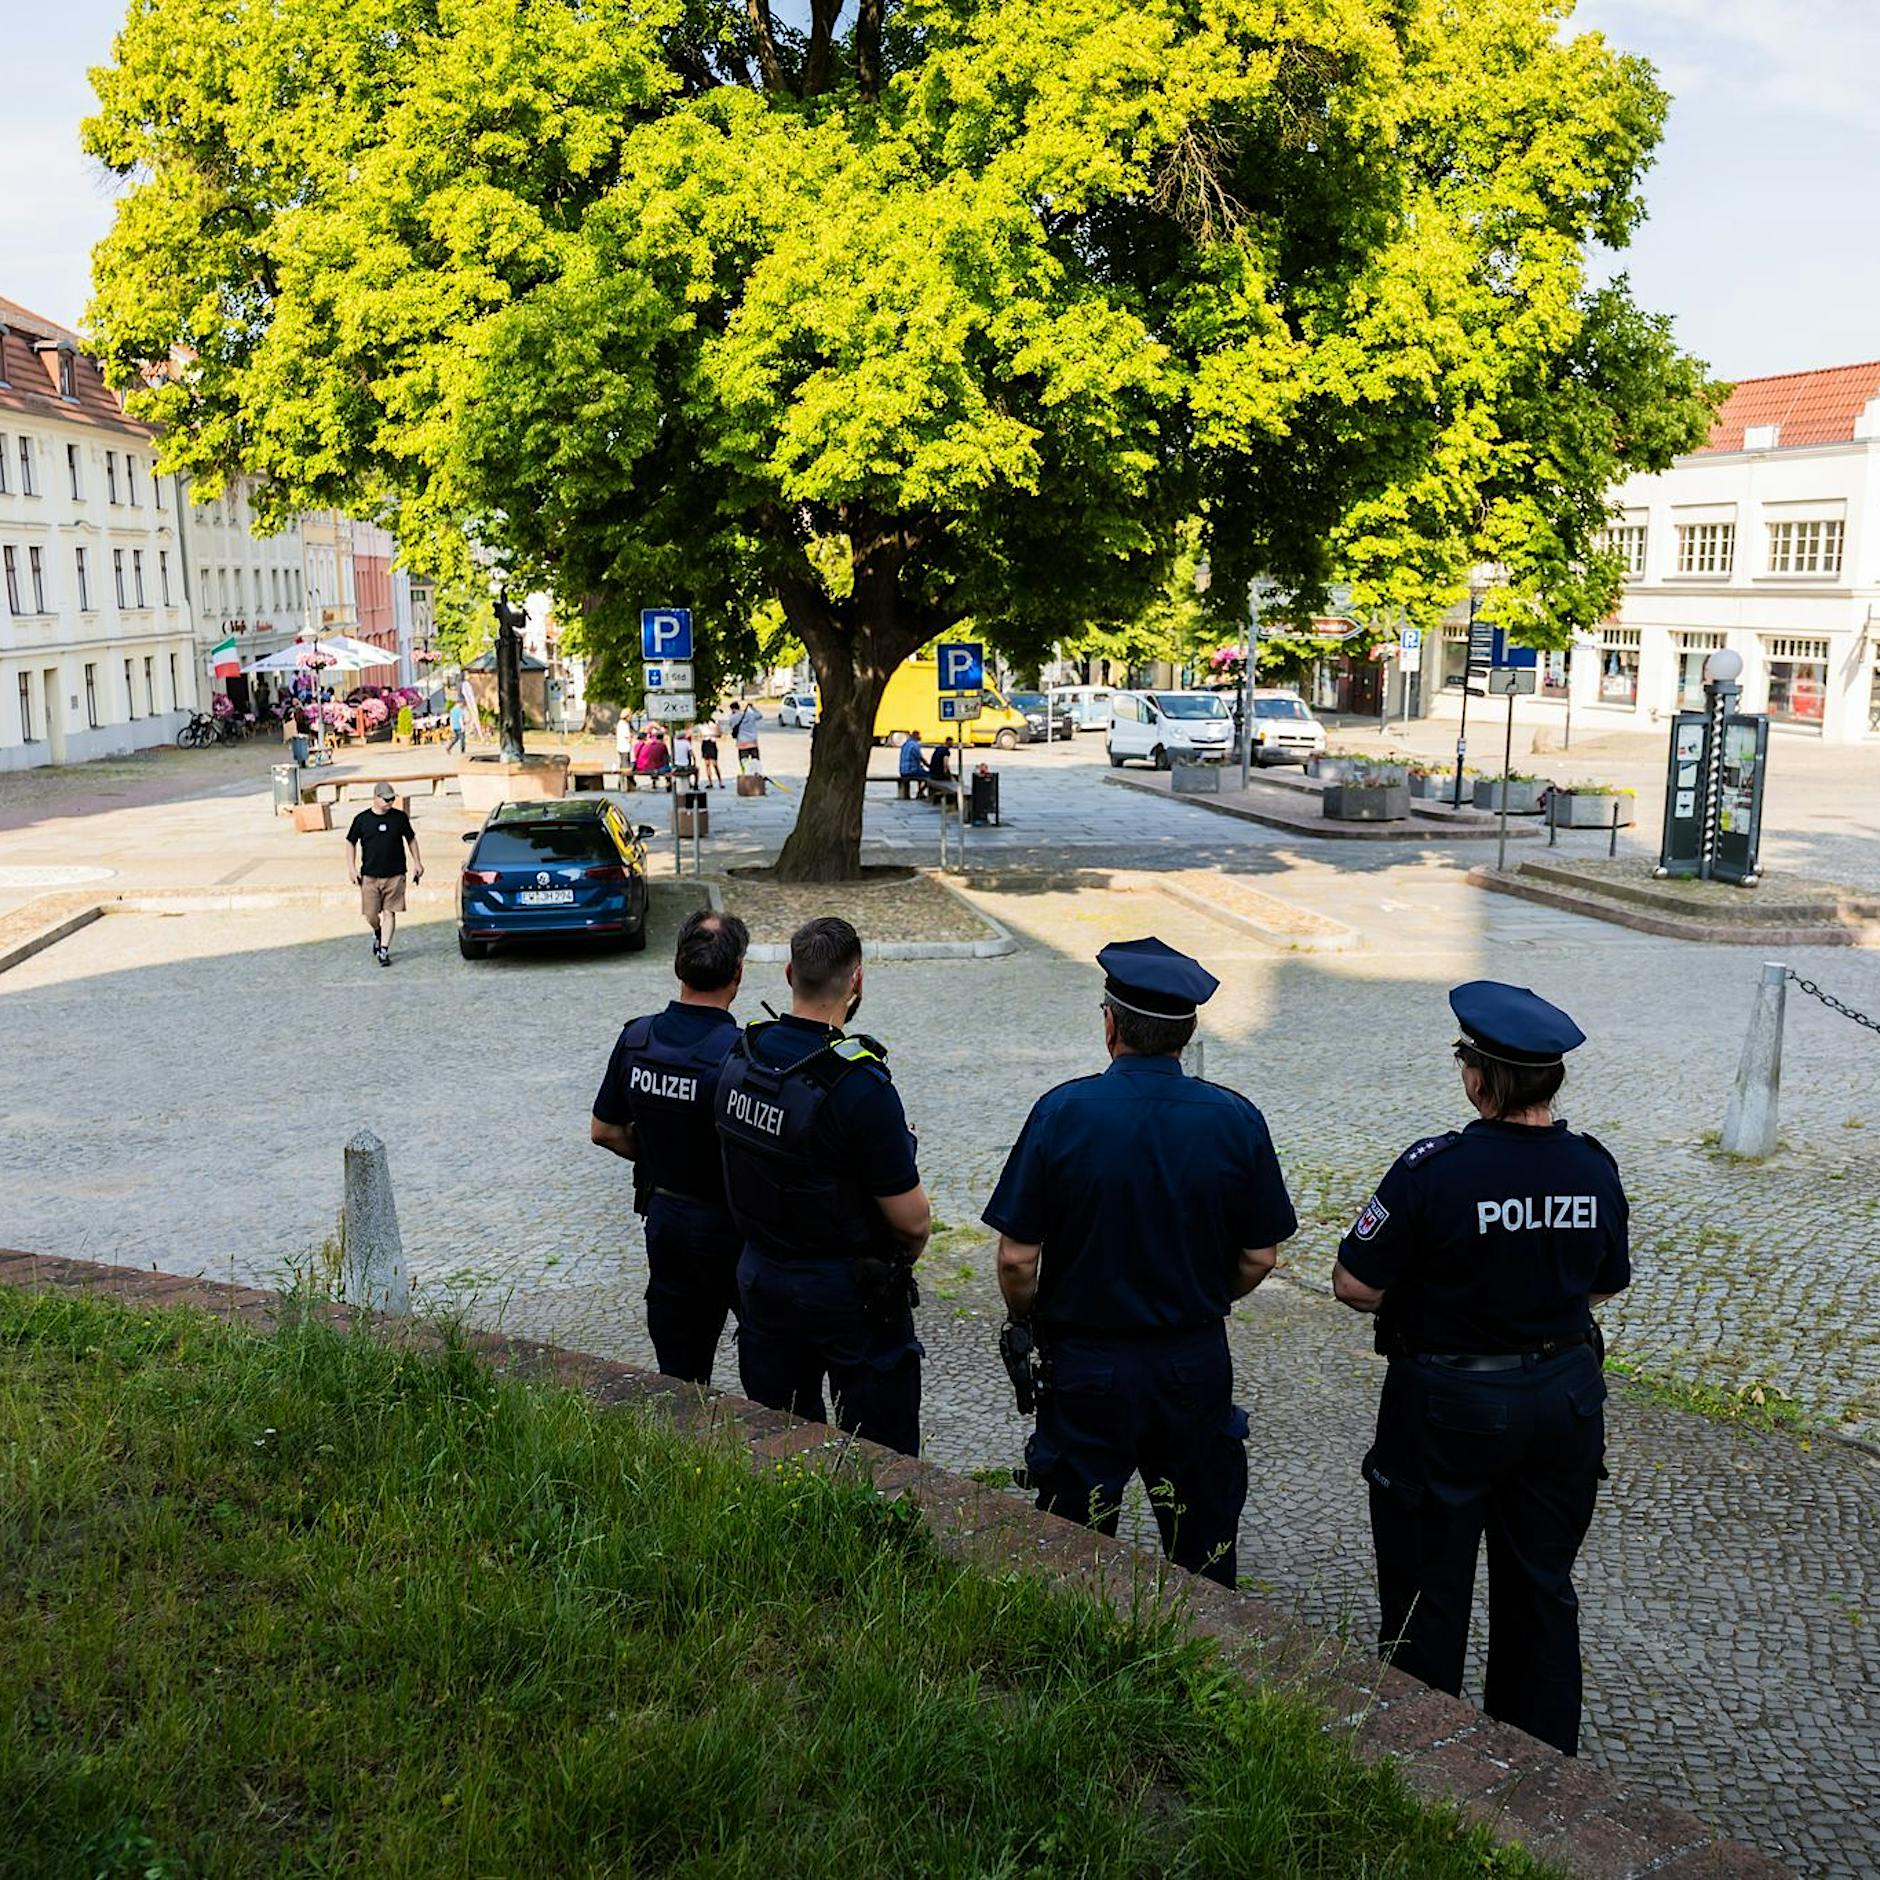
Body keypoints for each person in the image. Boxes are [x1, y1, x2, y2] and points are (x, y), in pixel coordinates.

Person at [1330, 981, 1630, 1757]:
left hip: (1449, 1403)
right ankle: (1539, 1778)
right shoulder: (1594, 1168)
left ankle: (1428, 1767)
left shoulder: (1434, 1169)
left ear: (1478, 1078)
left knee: (1428, 1590)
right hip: (1564, 1401)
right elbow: (1603, 1283)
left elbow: (1355, 1284)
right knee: (1540, 1589)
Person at [984, 938, 1296, 1588]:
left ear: (1110, 1024)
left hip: (1086, 1361)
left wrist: (1027, 1315)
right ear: (1189, 1033)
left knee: (1071, 1543)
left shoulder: (1062, 1112)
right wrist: (1205, 1292)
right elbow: (1260, 1253)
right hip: (1192, 1357)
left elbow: (1017, 1257)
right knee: (1202, 1548)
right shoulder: (1236, 1119)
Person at [715, 916, 930, 1456]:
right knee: (883, 1455)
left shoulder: (742, 1057)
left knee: (782, 1448)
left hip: (762, 1279)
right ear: (856, 982)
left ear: (790, 973)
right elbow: (913, 1223)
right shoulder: (860, 1085)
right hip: (848, 1293)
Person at [590, 911, 753, 1385]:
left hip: (667, 1222)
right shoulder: (740, 1054)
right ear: (738, 974)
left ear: (677, 966)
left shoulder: (638, 1039)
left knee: (679, 1376)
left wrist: (660, 1152)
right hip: (732, 1228)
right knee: (768, 1370)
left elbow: (603, 1130)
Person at [345, 780, 424, 967]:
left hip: (395, 875)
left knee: (390, 912)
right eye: (386, 799)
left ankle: (384, 950)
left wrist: (417, 862)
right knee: (370, 915)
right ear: (375, 798)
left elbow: (411, 839)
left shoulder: (399, 818)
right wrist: (351, 868)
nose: (390, 803)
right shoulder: (362, 820)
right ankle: (377, 931)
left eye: (392, 799)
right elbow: (350, 842)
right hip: (370, 876)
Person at [729, 701, 762, 773]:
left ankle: (745, 774)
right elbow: (760, 715)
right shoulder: (750, 714)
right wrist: (752, 708)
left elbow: (731, 725)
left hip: (742, 743)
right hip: (753, 742)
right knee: (755, 760)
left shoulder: (733, 717)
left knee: (744, 761)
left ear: (733, 709)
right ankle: (757, 774)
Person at [897, 731, 925, 800]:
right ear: (916, 736)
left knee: (920, 771)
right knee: (928, 775)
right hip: (911, 771)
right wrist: (930, 766)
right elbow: (921, 758)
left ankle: (920, 792)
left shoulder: (905, 744)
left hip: (902, 771)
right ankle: (920, 792)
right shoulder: (915, 745)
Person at [698, 718, 723, 789]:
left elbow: (719, 734)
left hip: (712, 742)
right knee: (707, 764)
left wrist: (713, 731)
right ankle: (710, 782)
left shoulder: (713, 723)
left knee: (714, 764)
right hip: (705, 743)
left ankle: (720, 781)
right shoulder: (701, 724)